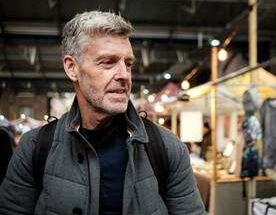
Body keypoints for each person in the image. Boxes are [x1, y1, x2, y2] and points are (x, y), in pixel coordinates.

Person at [0, 11, 205, 215]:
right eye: (108, 62)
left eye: (128, 63)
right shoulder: (35, 148)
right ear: (72, 68)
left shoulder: (167, 148)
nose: (124, 75)